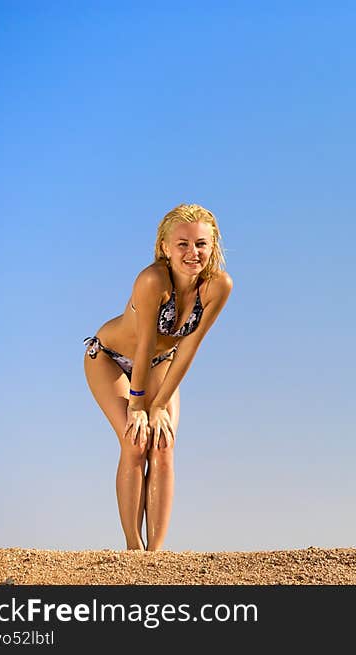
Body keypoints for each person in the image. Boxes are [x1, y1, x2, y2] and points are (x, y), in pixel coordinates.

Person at [83, 203, 234, 551]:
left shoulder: (218, 287)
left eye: (201, 244)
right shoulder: (153, 280)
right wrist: (138, 405)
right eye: (182, 244)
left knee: (163, 443)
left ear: (213, 248)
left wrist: (161, 403)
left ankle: (157, 557)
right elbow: (144, 343)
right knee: (135, 441)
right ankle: (134, 550)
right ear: (165, 247)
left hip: (161, 362)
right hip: (109, 358)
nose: (192, 252)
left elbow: (188, 348)